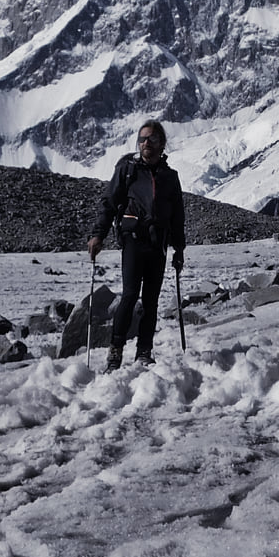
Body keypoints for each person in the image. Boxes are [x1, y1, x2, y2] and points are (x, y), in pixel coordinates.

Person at [86, 119, 186, 369]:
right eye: (142, 139)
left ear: (162, 143)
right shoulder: (127, 170)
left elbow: (177, 214)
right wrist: (99, 235)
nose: (146, 143)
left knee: (151, 300)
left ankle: (144, 350)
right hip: (133, 241)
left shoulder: (170, 177)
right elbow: (109, 203)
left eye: (152, 139)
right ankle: (115, 350)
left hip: (158, 244)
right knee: (130, 295)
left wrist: (179, 249)